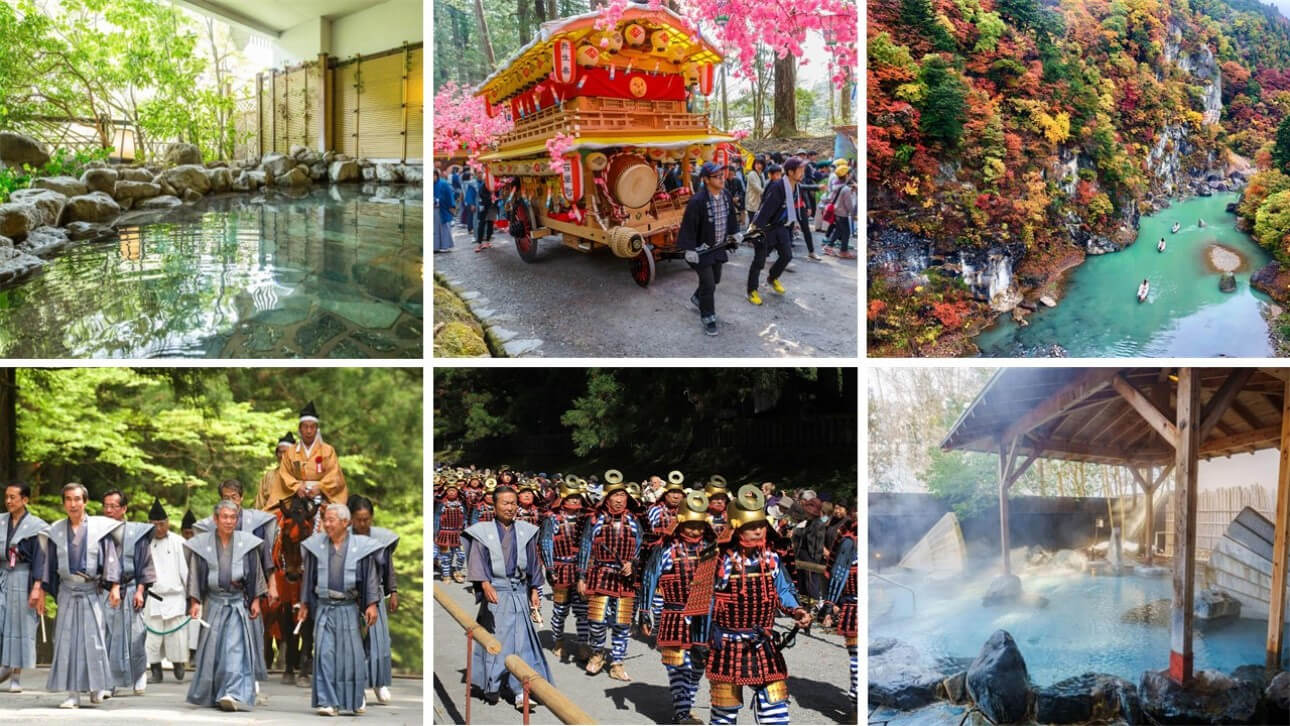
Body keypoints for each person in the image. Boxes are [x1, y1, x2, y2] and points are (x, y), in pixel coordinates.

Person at [705, 485, 812, 725]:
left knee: (776, 709)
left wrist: (797, 610)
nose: (758, 530)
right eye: (751, 527)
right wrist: (701, 641)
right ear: (736, 528)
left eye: (761, 525)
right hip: (727, 644)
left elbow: (784, 590)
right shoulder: (715, 558)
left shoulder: (772, 559)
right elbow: (700, 604)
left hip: (762, 644)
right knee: (724, 714)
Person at [32, 482, 123, 709]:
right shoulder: (55, 531)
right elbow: (47, 564)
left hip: (91, 591)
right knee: (67, 642)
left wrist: (114, 587)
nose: (73, 504)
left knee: (94, 641)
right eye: (69, 500)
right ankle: (73, 693)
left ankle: (96, 687)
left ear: (85, 502)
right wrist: (41, 590)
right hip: (67, 591)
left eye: (77, 499)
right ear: (64, 503)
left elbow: (111, 559)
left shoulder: (100, 529)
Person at [462, 486, 551, 710]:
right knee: (497, 641)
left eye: (513, 503)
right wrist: (484, 583)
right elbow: (477, 560)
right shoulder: (483, 531)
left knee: (522, 642)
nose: (510, 507)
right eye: (505, 503)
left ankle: (521, 690)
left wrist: (534, 590)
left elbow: (533, 562)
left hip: (519, 592)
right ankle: (492, 684)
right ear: (495, 505)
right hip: (496, 592)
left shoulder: (526, 530)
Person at [193, 479, 278, 694]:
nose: (230, 501)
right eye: (225, 497)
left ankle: (247, 678)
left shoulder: (256, 524)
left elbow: (266, 558)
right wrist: (195, 597)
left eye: (234, 497)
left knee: (248, 636)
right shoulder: (208, 526)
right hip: (217, 592)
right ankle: (218, 682)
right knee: (217, 640)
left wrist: (270, 585)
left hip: (247, 587)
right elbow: (201, 564)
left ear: (241, 498)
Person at [297, 503, 383, 717]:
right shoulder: (316, 546)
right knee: (324, 653)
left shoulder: (361, 547)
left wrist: (371, 604)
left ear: (346, 523)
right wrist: (304, 604)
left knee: (351, 656)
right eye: (325, 520)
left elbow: (370, 578)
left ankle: (353, 698)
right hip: (324, 607)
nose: (326, 524)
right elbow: (308, 578)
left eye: (331, 520)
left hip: (348, 607)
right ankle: (327, 701)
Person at [637, 492, 716, 725]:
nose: (694, 530)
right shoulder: (666, 549)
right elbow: (650, 578)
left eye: (698, 525)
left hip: (704, 617)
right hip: (674, 614)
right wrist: (644, 611)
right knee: (678, 666)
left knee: (698, 665)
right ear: (680, 523)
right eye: (690, 525)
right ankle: (682, 712)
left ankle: (686, 706)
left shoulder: (713, 549)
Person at [184, 499, 266, 712]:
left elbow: (256, 573)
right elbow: (195, 574)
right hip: (214, 603)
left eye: (233, 517)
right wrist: (194, 601)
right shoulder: (203, 543)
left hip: (238, 603)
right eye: (225, 517)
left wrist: (255, 599)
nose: (229, 521)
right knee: (214, 651)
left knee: (234, 649)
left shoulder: (247, 543)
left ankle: (232, 692)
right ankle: (215, 692)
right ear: (216, 519)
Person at [577, 476, 642, 681]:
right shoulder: (595, 519)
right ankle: (597, 653)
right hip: (600, 574)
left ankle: (617, 662)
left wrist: (633, 564)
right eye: (615, 495)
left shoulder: (634, 520)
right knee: (596, 621)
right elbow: (586, 547)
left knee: (622, 623)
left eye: (622, 495)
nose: (619, 499)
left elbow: (641, 548)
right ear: (606, 498)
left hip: (625, 578)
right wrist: (581, 576)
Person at [101, 489, 156, 697]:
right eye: (105, 506)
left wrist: (141, 590)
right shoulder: (97, 530)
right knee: (107, 635)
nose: (108, 510)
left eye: (113, 506)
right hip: (105, 590)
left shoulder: (136, 532)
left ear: (124, 509)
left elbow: (145, 564)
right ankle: (108, 681)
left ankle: (139, 673)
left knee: (136, 634)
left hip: (132, 586)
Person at [677, 161, 740, 336]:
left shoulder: (726, 195)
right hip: (701, 250)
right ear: (705, 179)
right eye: (717, 176)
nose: (722, 179)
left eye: (722, 175)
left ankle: (698, 297)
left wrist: (735, 233)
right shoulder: (697, 201)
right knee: (709, 283)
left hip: (718, 246)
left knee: (716, 279)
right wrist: (689, 249)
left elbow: (731, 217)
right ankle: (708, 317)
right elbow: (688, 226)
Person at [348, 497, 400, 707]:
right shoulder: (342, 538)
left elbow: (388, 568)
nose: (363, 524)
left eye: (366, 519)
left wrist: (393, 591)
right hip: (350, 596)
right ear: (350, 518)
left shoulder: (381, 539)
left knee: (379, 643)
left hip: (375, 595)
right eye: (358, 520)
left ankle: (379, 683)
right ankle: (357, 688)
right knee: (352, 645)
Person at [538, 480, 591, 663]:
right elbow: (546, 543)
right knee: (561, 609)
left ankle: (583, 643)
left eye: (578, 498)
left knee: (583, 610)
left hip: (582, 570)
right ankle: (558, 641)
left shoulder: (586, 519)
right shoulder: (552, 518)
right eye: (572, 498)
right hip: (561, 568)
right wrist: (550, 567)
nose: (575, 502)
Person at [0, 483, 45, 693]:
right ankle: (4, 668)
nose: (8, 501)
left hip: (23, 577)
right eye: (6, 497)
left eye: (13, 497)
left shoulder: (37, 526)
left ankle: (15, 676)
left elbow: (40, 559)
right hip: (2, 577)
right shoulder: (0, 521)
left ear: (25, 500)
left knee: (19, 626)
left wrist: (37, 586)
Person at [144, 498, 189, 684]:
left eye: (161, 524)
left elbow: (186, 571)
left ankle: (178, 664)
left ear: (168, 523)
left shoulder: (179, 542)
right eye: (154, 525)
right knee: (152, 638)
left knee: (176, 636)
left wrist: (192, 596)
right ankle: (156, 670)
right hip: (153, 596)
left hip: (175, 596)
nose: (158, 528)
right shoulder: (144, 543)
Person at [749, 157, 804, 304]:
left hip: (781, 227)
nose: (802, 173)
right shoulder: (778, 187)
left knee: (787, 255)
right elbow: (765, 209)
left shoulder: (795, 186)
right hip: (766, 228)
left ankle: (772, 278)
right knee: (759, 262)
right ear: (791, 172)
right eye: (800, 170)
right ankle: (752, 290)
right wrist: (755, 230)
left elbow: (791, 206)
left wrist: (795, 221)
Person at [279, 401, 349, 511]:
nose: (308, 431)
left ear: (317, 429)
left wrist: (321, 487)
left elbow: (335, 475)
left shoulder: (327, 450)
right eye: (305, 427)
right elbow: (284, 474)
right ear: (300, 429)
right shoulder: (290, 452)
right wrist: (296, 487)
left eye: (312, 427)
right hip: (296, 496)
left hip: (322, 496)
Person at [822, 522, 858, 712]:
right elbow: (838, 575)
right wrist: (830, 605)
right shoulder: (848, 543)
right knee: (856, 662)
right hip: (853, 609)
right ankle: (856, 704)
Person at [254, 432, 297, 511]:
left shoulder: (300, 475)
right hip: (269, 517)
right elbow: (259, 503)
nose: (282, 455)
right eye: (280, 452)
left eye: (286, 452)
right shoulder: (268, 476)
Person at [434, 483, 467, 583]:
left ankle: (458, 572)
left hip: (458, 534)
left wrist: (466, 531)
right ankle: (446, 575)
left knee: (461, 555)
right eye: (449, 491)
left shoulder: (461, 505)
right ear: (446, 492)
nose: (452, 492)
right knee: (446, 556)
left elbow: (465, 519)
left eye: (454, 490)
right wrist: (436, 534)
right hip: (444, 533)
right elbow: (436, 519)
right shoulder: (442, 505)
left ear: (457, 492)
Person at [828, 175, 857, 259]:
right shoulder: (846, 189)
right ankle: (843, 251)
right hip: (842, 213)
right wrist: (853, 214)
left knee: (838, 230)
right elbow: (848, 204)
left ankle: (829, 246)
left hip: (837, 212)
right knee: (846, 232)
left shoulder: (840, 186)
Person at [433, 168, 456, 252]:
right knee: (434, 229)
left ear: (436, 175)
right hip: (433, 209)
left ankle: (445, 246)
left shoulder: (444, 184)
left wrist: (451, 206)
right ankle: (435, 247)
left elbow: (449, 195)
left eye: (433, 175)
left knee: (444, 228)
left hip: (442, 209)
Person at [475, 180, 496, 251]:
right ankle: (479, 243)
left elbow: (497, 193)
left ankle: (488, 241)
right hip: (484, 207)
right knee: (481, 224)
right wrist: (491, 198)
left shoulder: (495, 184)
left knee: (490, 223)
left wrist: (495, 198)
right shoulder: (483, 185)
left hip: (492, 207)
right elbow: (481, 195)